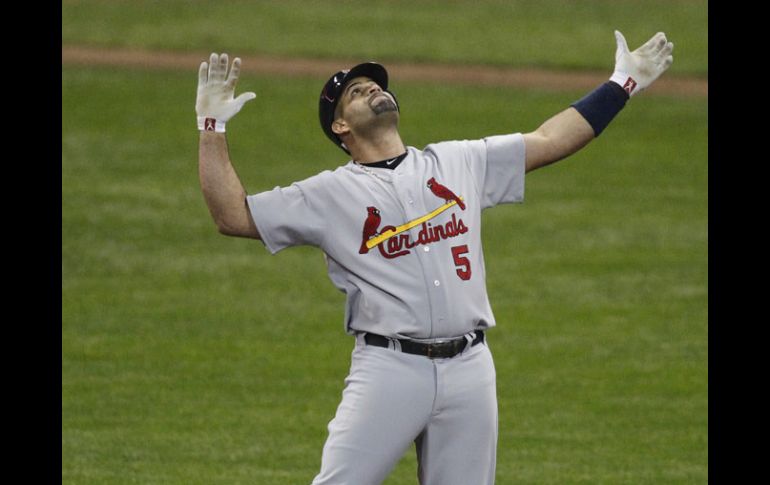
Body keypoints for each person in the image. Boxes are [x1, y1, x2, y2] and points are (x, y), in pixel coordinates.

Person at [195, 30, 673, 485]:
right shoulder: (328, 193)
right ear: (340, 126)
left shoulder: (459, 161)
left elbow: (551, 140)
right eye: (357, 93)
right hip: (389, 368)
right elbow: (233, 215)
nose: (373, 91)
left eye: (376, 86)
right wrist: (211, 127)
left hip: (470, 368)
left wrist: (622, 83)